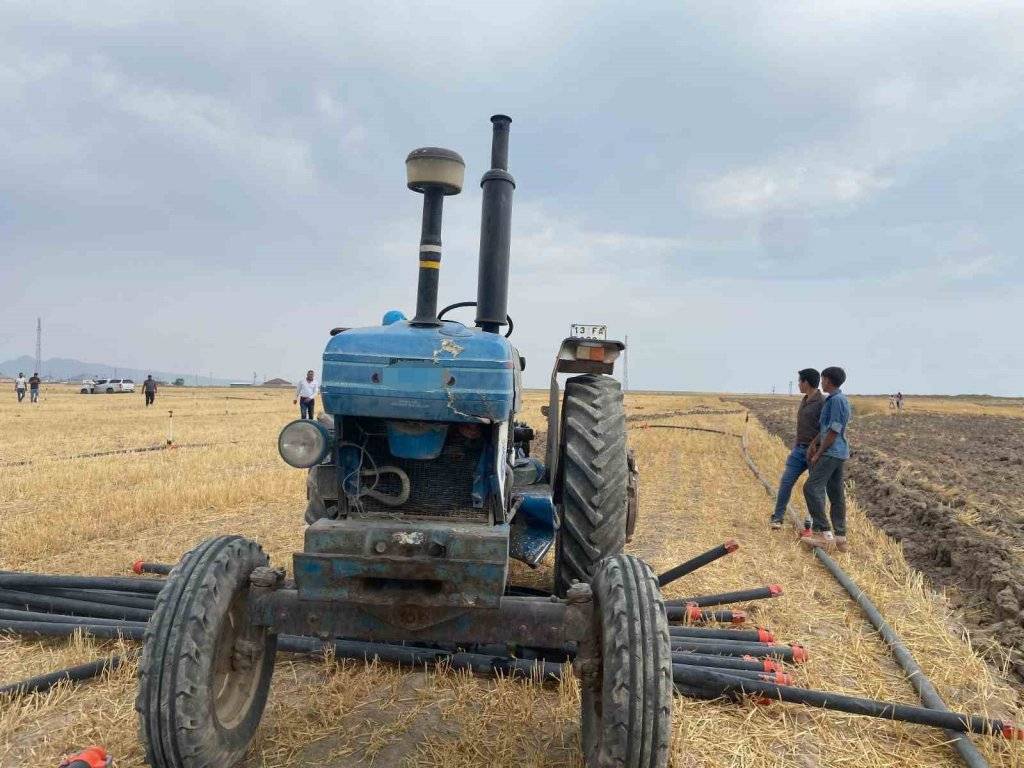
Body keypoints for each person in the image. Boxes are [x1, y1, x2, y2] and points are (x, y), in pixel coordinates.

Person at [802, 366, 852, 552]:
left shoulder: (837, 401)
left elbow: (834, 430)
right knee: (835, 493)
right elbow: (825, 428)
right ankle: (840, 538)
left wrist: (818, 452)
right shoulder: (834, 399)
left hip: (832, 452)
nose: (821, 382)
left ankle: (825, 534)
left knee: (811, 488)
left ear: (829, 380)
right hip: (836, 451)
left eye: (823, 379)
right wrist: (813, 443)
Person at [769, 369, 824, 530]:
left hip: (815, 452)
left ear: (806, 382)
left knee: (816, 489)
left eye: (800, 381)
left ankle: (814, 522)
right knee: (786, 482)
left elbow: (825, 428)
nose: (798, 384)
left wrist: (815, 446)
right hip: (799, 451)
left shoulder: (822, 402)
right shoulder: (805, 399)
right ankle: (778, 517)